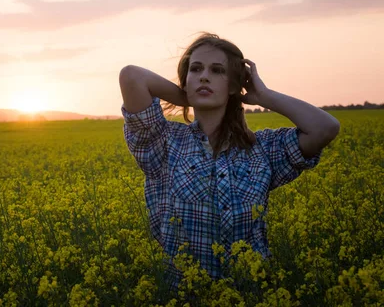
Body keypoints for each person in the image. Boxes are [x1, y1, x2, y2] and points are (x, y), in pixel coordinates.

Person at [118, 32, 340, 290]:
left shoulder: (262, 150)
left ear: (234, 86)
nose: (204, 76)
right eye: (196, 69)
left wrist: (264, 96)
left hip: (252, 296)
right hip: (186, 297)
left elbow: (325, 128)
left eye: (217, 71)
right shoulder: (166, 143)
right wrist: (186, 96)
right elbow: (131, 76)